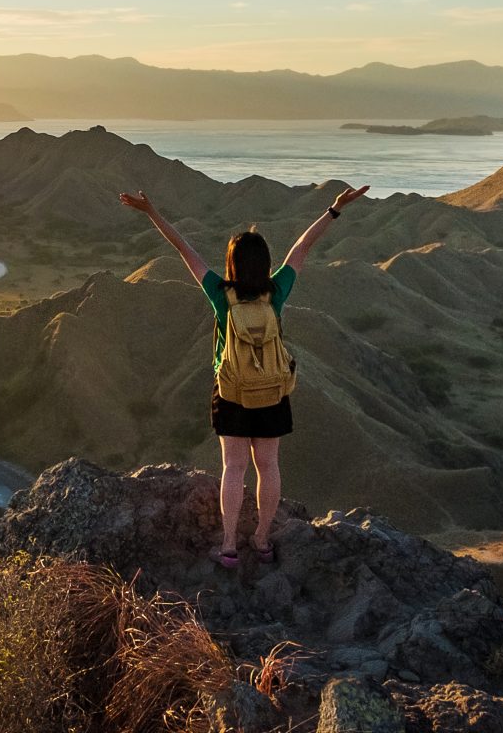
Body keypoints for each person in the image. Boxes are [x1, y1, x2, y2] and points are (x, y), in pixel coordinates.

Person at [119, 183, 368, 567]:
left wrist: (152, 212)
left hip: (232, 392)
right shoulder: (277, 291)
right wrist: (334, 209)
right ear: (266, 264)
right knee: (269, 467)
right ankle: (264, 539)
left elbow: (184, 248)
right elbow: (302, 247)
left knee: (233, 467)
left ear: (232, 264)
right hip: (272, 392)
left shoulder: (221, 294)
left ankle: (230, 545)